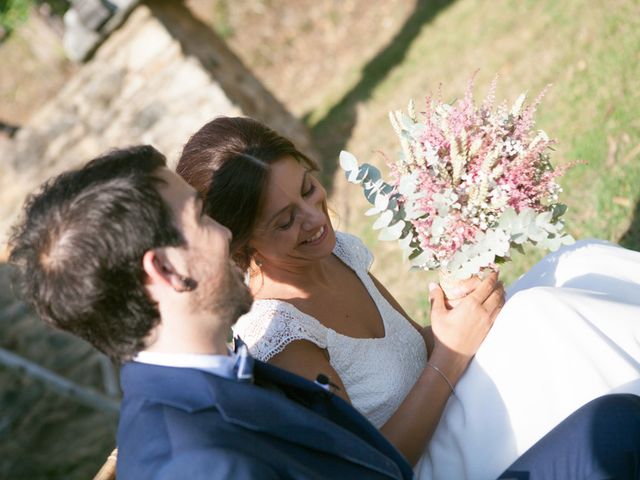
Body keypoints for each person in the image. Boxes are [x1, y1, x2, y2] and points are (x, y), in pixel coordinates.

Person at [8, 145, 640, 480]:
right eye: (201, 219)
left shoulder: (220, 373)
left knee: (605, 408)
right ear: (167, 271)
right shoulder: (199, 463)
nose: (226, 236)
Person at [176, 116, 640, 480]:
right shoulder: (280, 338)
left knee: (578, 262)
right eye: (284, 221)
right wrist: (455, 351)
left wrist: (455, 311)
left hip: (452, 397)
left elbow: (417, 346)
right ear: (240, 245)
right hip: (432, 462)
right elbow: (371, 465)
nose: (314, 218)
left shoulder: (337, 250)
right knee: (544, 318)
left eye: (308, 189)